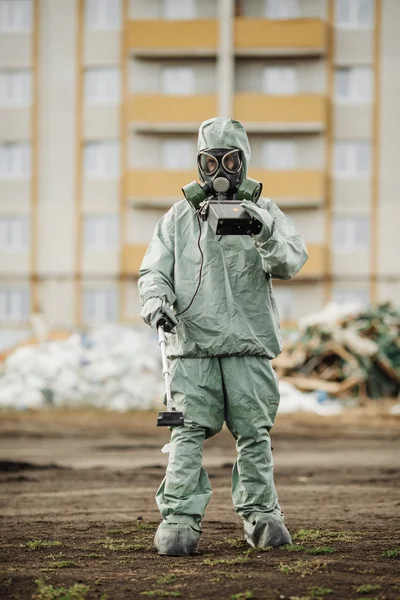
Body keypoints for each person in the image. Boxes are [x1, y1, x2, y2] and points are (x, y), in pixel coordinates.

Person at [139, 117, 308, 556]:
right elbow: (153, 271)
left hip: (247, 346)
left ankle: (263, 517)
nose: (220, 171)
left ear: (243, 162)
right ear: (199, 165)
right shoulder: (177, 219)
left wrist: (263, 230)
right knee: (186, 432)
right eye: (211, 161)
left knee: (254, 432)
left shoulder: (263, 212)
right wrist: (156, 302)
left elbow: (291, 260)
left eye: (230, 160)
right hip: (191, 347)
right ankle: (178, 521)